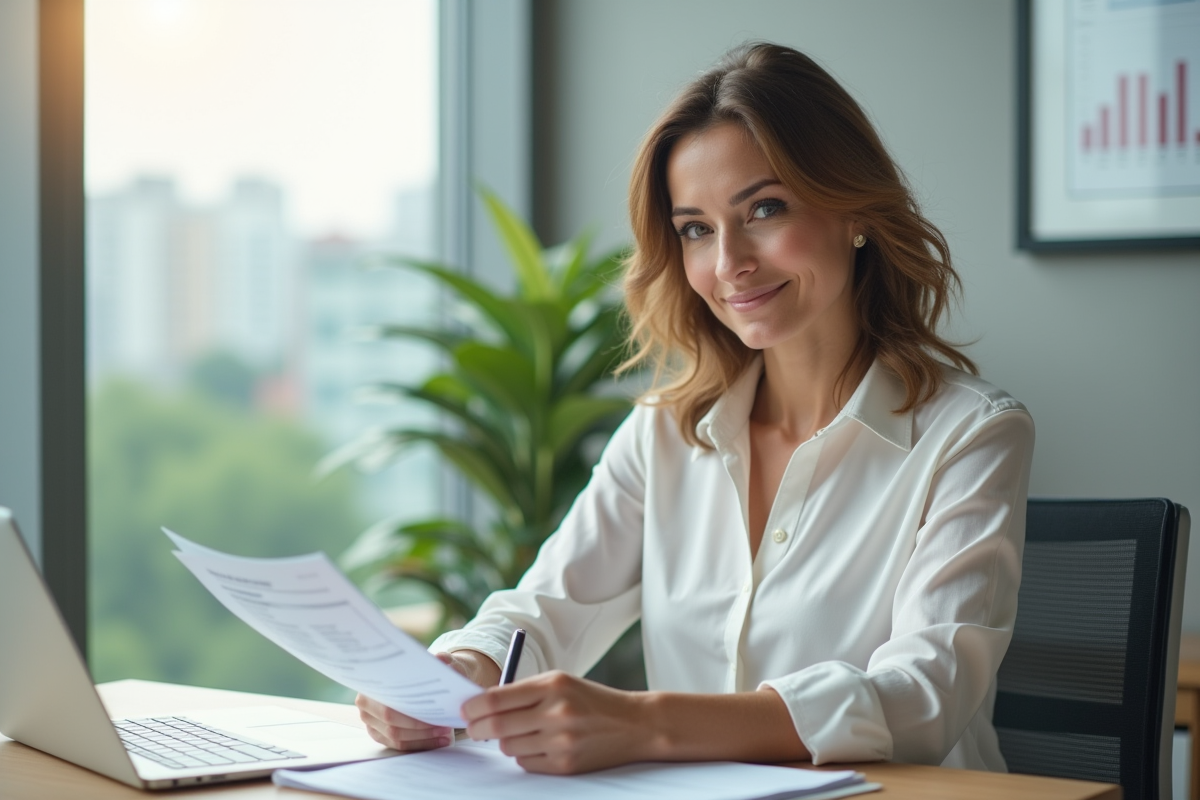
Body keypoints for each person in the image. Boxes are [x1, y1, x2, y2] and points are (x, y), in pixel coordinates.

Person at [356, 42, 1034, 776]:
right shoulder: (665, 429)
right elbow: (547, 610)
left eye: (765, 209)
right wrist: (457, 673)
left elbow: (923, 697)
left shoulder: (972, 434)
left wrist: (647, 723)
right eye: (696, 229)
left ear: (855, 213)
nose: (729, 262)